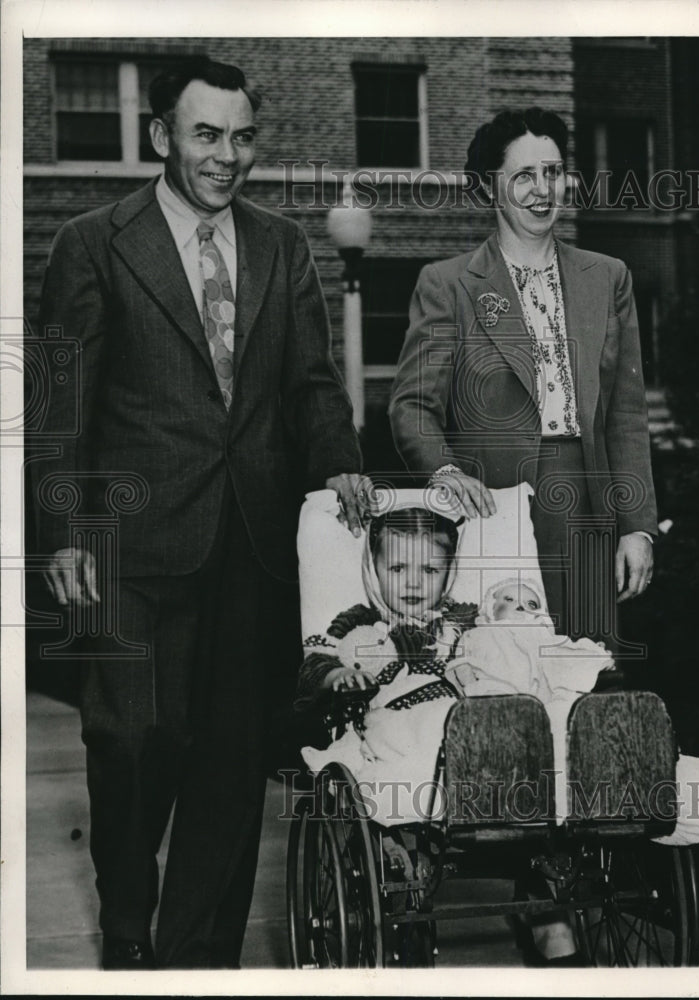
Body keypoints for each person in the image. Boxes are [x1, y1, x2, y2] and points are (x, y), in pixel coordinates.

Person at [31, 56, 368, 970]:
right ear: (163, 138)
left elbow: (310, 385)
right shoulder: (93, 242)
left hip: (253, 543)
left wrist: (341, 466)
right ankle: (130, 925)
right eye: (206, 135)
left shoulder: (283, 244)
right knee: (131, 737)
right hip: (132, 547)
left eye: (243, 137)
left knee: (230, 758)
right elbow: (58, 406)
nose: (227, 156)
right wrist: (64, 534)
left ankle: (198, 954)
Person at [389, 107, 657, 642]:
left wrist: (638, 527)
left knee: (586, 674)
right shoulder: (448, 284)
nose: (543, 190)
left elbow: (626, 413)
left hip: (587, 504)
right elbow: (412, 406)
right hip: (496, 510)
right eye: (524, 176)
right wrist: (444, 474)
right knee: (501, 675)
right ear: (492, 188)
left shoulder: (608, 278)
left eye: (553, 172)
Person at [296, 507, 477, 824]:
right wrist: (339, 673)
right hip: (389, 726)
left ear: (449, 572)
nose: (413, 584)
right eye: (397, 569)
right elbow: (315, 663)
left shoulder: (462, 620)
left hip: (459, 724)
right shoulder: (362, 623)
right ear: (374, 570)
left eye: (430, 571)